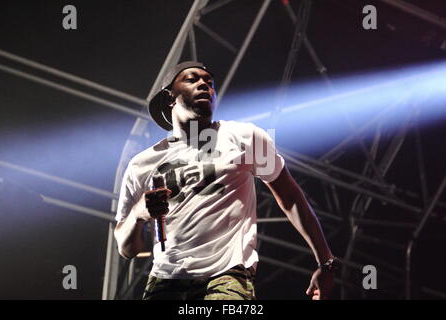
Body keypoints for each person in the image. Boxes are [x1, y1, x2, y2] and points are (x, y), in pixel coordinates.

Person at [114, 61, 337, 300]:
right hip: (165, 279)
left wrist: (326, 263)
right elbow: (127, 249)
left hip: (228, 275)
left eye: (209, 83)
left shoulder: (245, 137)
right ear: (170, 97)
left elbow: (291, 198)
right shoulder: (143, 164)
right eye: (192, 79)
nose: (204, 85)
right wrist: (138, 214)